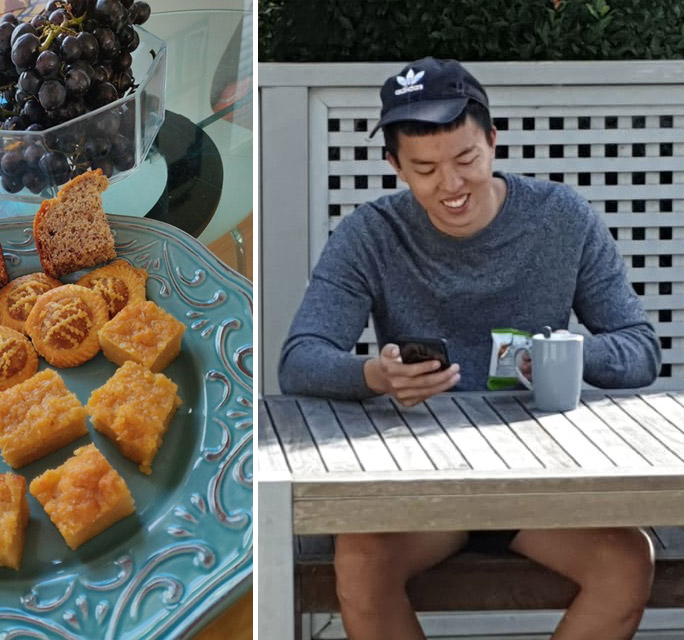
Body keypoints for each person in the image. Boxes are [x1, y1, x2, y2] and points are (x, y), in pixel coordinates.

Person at [278, 57, 661, 640]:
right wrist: (374, 376)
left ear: (492, 140)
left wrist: (568, 354)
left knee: (627, 561)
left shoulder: (561, 218)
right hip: (416, 481)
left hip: (540, 478)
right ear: (394, 166)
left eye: (466, 160)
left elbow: (640, 349)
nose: (451, 185)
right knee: (359, 558)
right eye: (425, 169)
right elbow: (299, 359)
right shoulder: (370, 234)